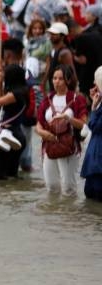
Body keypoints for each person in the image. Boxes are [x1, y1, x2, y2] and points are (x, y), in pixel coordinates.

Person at [34, 64, 89, 195]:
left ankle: (69, 214)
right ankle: (54, 214)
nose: (56, 82)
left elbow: (83, 124)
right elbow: (38, 124)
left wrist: (68, 119)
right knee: (51, 187)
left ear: (68, 80)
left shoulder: (77, 99)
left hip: (69, 146)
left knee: (69, 188)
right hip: (50, 146)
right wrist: (42, 133)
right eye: (54, 78)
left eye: (60, 78)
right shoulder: (47, 99)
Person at [0, 65, 29, 180]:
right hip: (15, 134)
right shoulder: (21, 92)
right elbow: (1, 104)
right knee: (11, 175)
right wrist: (0, 85)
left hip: (9, 136)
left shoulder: (15, 94)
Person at [80, 66, 102, 201]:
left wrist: (93, 108)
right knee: (90, 196)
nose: (94, 85)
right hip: (94, 160)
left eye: (96, 82)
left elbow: (95, 126)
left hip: (98, 162)